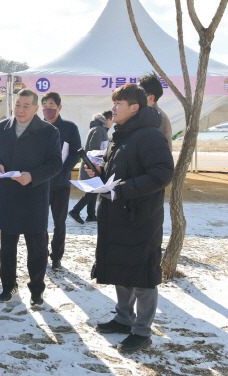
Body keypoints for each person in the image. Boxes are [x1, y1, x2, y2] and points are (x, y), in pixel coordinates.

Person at [85, 84, 173, 353]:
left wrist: (122, 191)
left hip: (141, 218)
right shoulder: (119, 136)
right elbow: (119, 173)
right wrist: (100, 175)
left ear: (134, 108)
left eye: (119, 104)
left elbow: (161, 174)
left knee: (143, 275)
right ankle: (124, 319)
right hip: (117, 215)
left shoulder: (150, 136)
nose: (113, 108)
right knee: (121, 268)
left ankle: (142, 331)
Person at [0, 89, 62, 306]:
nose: (20, 109)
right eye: (18, 104)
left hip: (34, 198)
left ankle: (37, 289)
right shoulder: (2, 127)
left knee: (37, 250)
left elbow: (56, 164)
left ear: (36, 109)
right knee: (7, 248)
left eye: (26, 106)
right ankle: (8, 286)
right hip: (8, 196)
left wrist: (33, 176)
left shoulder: (49, 132)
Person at [41, 92, 81, 270]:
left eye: (51, 105)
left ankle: (56, 256)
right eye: (45, 106)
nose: (48, 109)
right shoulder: (37, 127)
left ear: (59, 107)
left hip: (61, 183)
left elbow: (75, 153)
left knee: (59, 222)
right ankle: (41, 253)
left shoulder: (69, 128)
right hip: (40, 184)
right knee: (40, 222)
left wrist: (63, 169)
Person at [68, 110, 113, 224]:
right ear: (107, 120)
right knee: (93, 191)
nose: (112, 123)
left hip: (91, 165)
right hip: (93, 166)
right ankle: (75, 211)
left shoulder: (97, 129)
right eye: (111, 120)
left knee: (94, 190)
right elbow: (95, 149)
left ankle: (91, 215)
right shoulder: (99, 130)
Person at [139, 72, 173, 151]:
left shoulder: (160, 117)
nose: (135, 95)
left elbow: (166, 152)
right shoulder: (141, 114)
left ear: (151, 98)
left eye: (139, 93)